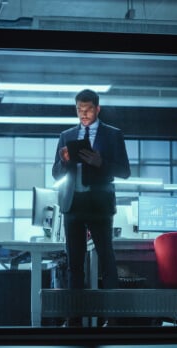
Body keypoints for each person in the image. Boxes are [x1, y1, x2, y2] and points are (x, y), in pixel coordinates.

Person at [52, 89, 131, 324]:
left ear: (97, 109)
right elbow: (55, 173)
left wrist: (100, 162)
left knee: (107, 261)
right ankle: (74, 320)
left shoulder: (112, 135)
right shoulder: (66, 135)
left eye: (87, 110)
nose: (83, 114)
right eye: (79, 110)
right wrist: (65, 163)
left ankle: (112, 319)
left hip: (99, 205)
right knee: (74, 265)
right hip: (73, 205)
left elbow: (124, 171)